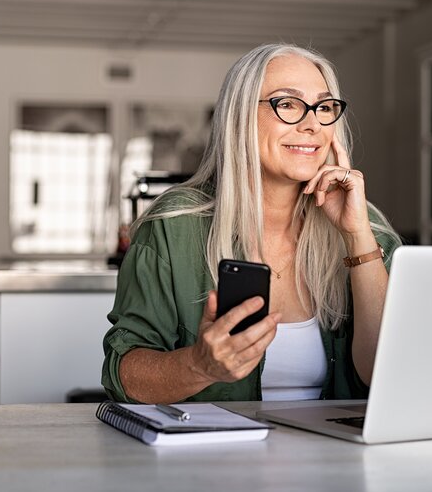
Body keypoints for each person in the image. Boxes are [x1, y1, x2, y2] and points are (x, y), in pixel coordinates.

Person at [102, 43, 402, 404]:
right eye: (287, 104)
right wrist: (200, 366)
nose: (311, 125)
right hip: (215, 456)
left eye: (324, 108)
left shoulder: (366, 228)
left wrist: (357, 238)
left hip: (339, 457)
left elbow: (391, 374)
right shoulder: (175, 225)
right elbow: (124, 375)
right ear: (240, 117)